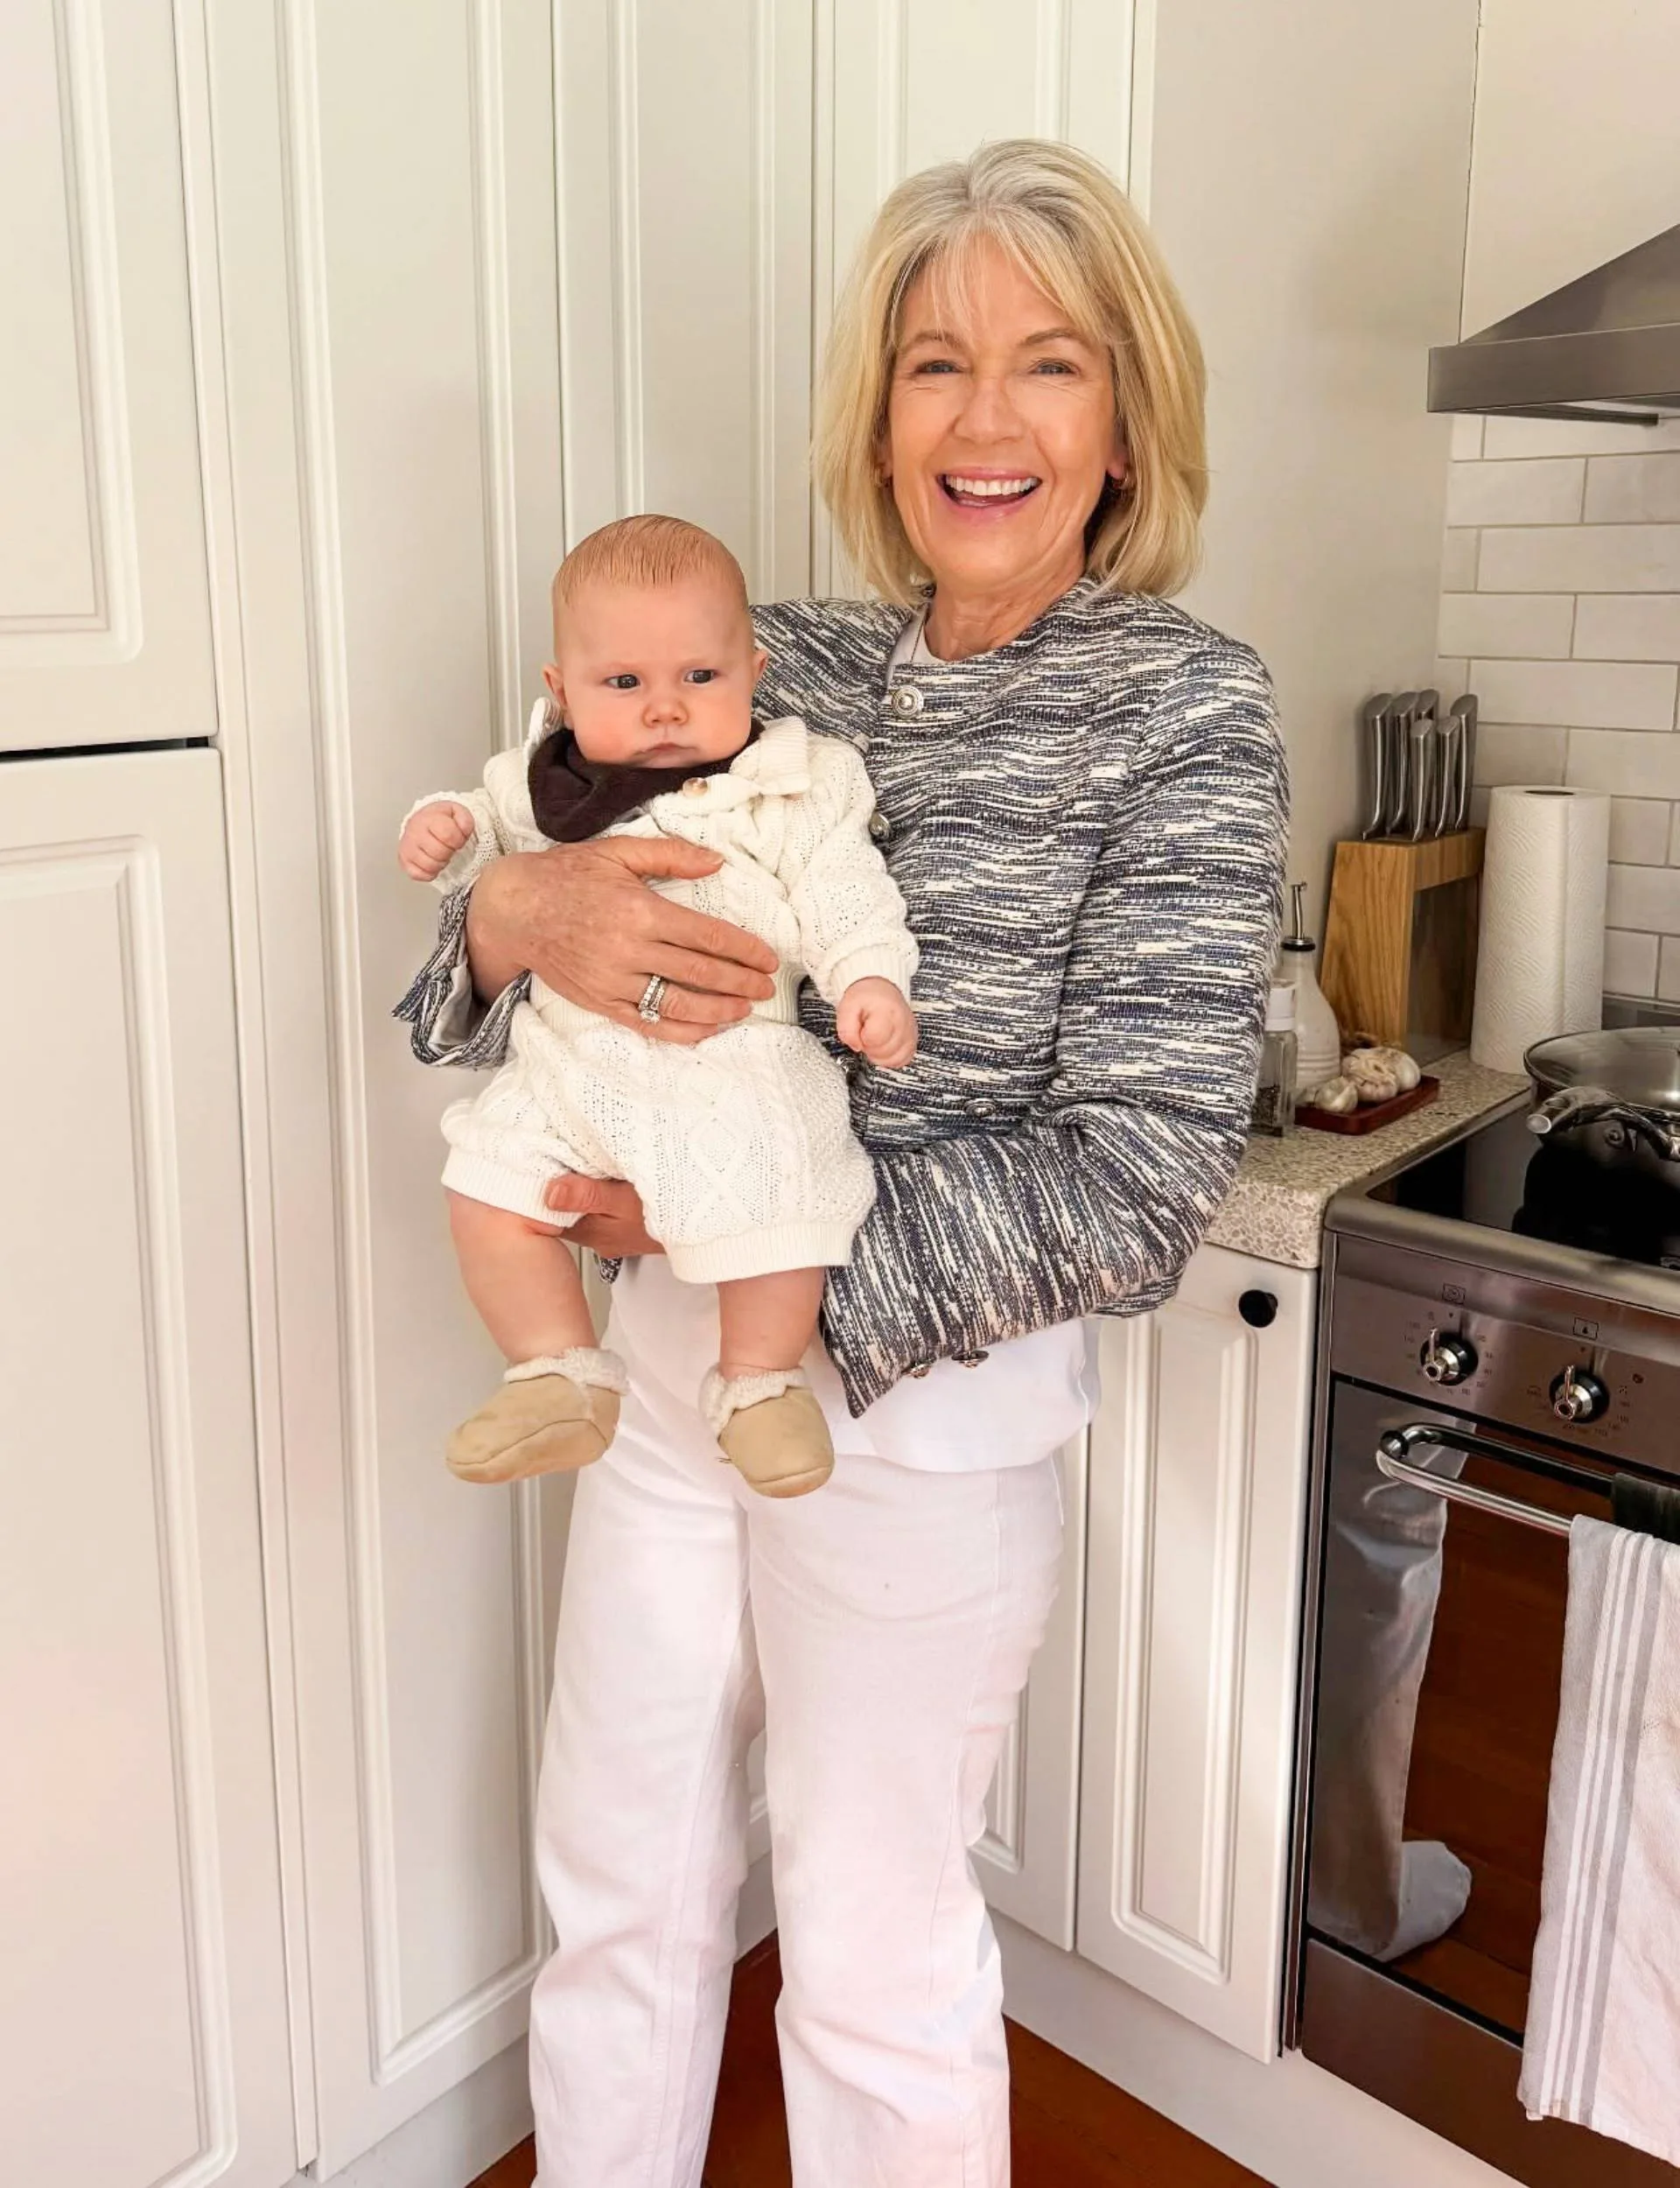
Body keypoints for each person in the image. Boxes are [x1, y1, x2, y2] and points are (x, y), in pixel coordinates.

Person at [398, 137, 1288, 2188]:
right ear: (873, 417)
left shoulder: (1183, 710)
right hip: (653, 1386)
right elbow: (490, 964)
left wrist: (742, 1252)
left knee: (874, 1952)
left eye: (1047, 366)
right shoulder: (755, 656)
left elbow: (1137, 1179)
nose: (984, 422)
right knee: (615, 1879)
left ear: (1126, 417)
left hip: (919, 1427)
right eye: (931, 366)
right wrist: (515, 922)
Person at [397, 516, 917, 1497]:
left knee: (790, 1186)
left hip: (735, 1055)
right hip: (569, 1058)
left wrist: (869, 980)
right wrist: (452, 837)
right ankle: (554, 1369)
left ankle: (763, 1384)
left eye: (701, 679)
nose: (665, 708)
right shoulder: (540, 784)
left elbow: (845, 890)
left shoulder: (794, 786)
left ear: (755, 671)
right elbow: (486, 863)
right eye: (624, 684)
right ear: (561, 690)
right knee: (488, 1182)